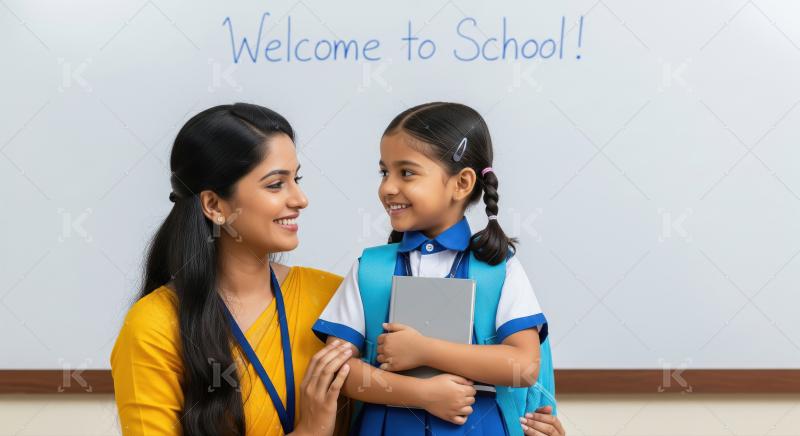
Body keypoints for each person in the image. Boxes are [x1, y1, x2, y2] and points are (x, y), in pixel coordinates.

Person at [111, 103, 351, 435]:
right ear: (213, 205)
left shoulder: (336, 298)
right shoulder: (153, 327)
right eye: (275, 184)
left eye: (296, 179)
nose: (300, 199)